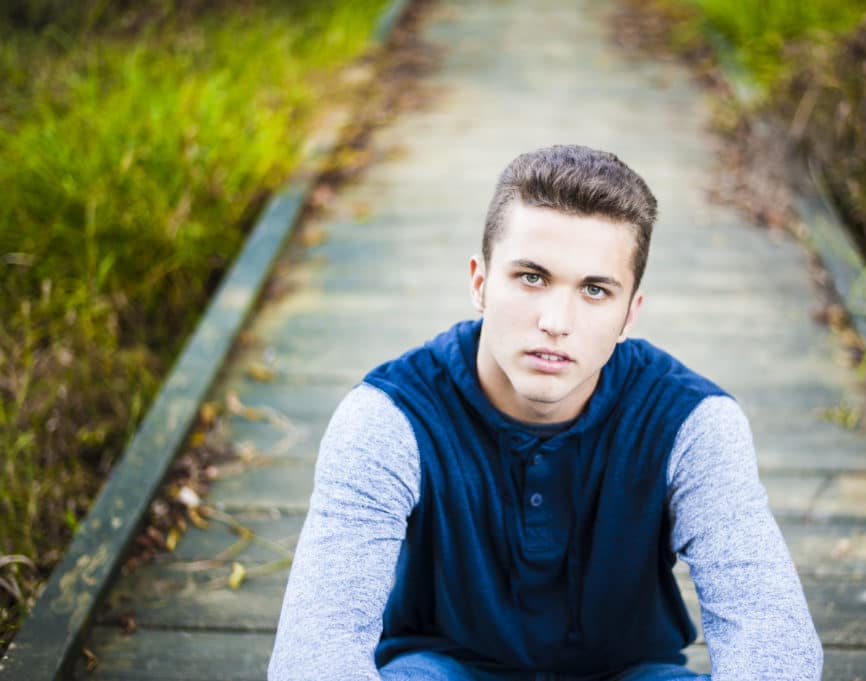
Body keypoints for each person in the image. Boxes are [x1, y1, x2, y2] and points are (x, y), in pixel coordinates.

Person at [267, 145, 824, 680]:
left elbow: (772, 637)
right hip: (444, 667)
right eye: (531, 278)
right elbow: (314, 652)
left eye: (595, 290)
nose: (556, 320)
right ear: (481, 284)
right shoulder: (389, 417)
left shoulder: (692, 422)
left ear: (631, 315)